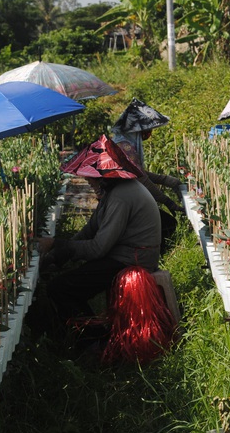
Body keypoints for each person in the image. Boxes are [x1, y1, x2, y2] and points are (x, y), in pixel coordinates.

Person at [28, 135, 162, 343]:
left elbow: (98, 248)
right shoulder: (113, 192)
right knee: (69, 281)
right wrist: (55, 256)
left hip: (134, 259)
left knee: (61, 288)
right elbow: (90, 231)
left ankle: (96, 338)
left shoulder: (121, 196)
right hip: (124, 254)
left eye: (90, 176)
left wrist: (58, 244)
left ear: (103, 175)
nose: (87, 181)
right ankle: (94, 332)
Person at [111, 98, 185, 215]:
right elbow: (140, 177)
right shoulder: (125, 147)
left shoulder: (123, 142)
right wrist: (167, 201)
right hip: (120, 200)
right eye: (148, 130)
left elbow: (138, 173)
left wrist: (167, 181)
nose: (149, 133)